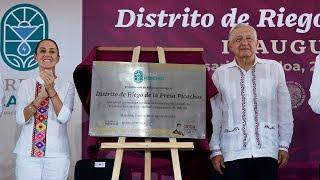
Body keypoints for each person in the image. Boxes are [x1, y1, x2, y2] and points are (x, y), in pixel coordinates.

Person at [209, 23, 294, 180]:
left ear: (257, 43)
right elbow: (215, 116)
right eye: (238, 39)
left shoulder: (274, 69)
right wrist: (215, 150)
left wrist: (283, 144)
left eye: (249, 38)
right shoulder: (220, 74)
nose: (244, 43)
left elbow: (284, 110)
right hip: (232, 152)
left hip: (267, 150)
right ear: (230, 46)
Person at [14, 39, 75, 180]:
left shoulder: (67, 86)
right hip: (27, 155)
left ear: (58, 58)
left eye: (52, 51)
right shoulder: (26, 85)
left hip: (57, 156)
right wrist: (40, 97)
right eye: (43, 51)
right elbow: (20, 118)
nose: (47, 54)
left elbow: (64, 117)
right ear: (35, 57)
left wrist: (51, 90)